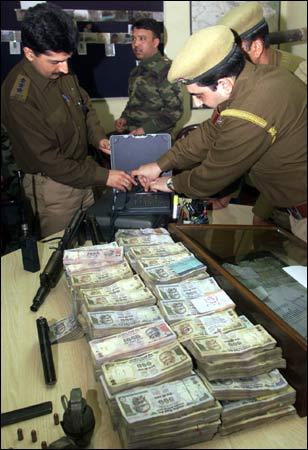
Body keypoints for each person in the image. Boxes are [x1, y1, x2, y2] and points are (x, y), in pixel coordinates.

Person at [132, 26, 307, 242]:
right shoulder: (254, 80)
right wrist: (159, 165)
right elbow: (208, 133)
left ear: (223, 84)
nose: (196, 102)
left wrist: (168, 183)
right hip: (287, 203)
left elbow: (211, 175)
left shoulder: (249, 110)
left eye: (199, 95)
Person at [1, 3, 135, 238]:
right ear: (29, 53)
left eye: (67, 60)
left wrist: (98, 138)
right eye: (55, 62)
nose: (65, 69)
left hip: (84, 173)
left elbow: (85, 108)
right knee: (63, 252)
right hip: (54, 187)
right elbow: (49, 161)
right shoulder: (19, 95)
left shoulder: (61, 69)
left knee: (90, 242)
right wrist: (105, 176)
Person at [217, 1, 307, 225]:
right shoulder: (242, 83)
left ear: (255, 48)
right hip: (273, 195)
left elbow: (291, 152)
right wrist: (227, 190)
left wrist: (261, 209)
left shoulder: (298, 75)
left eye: (233, 55)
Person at [114, 18, 183, 138]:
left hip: (154, 138)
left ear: (155, 42)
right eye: (134, 39)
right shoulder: (136, 71)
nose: (136, 44)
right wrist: (124, 118)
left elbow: (174, 112)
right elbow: (134, 102)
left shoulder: (166, 70)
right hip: (132, 134)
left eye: (142, 39)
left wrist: (145, 129)